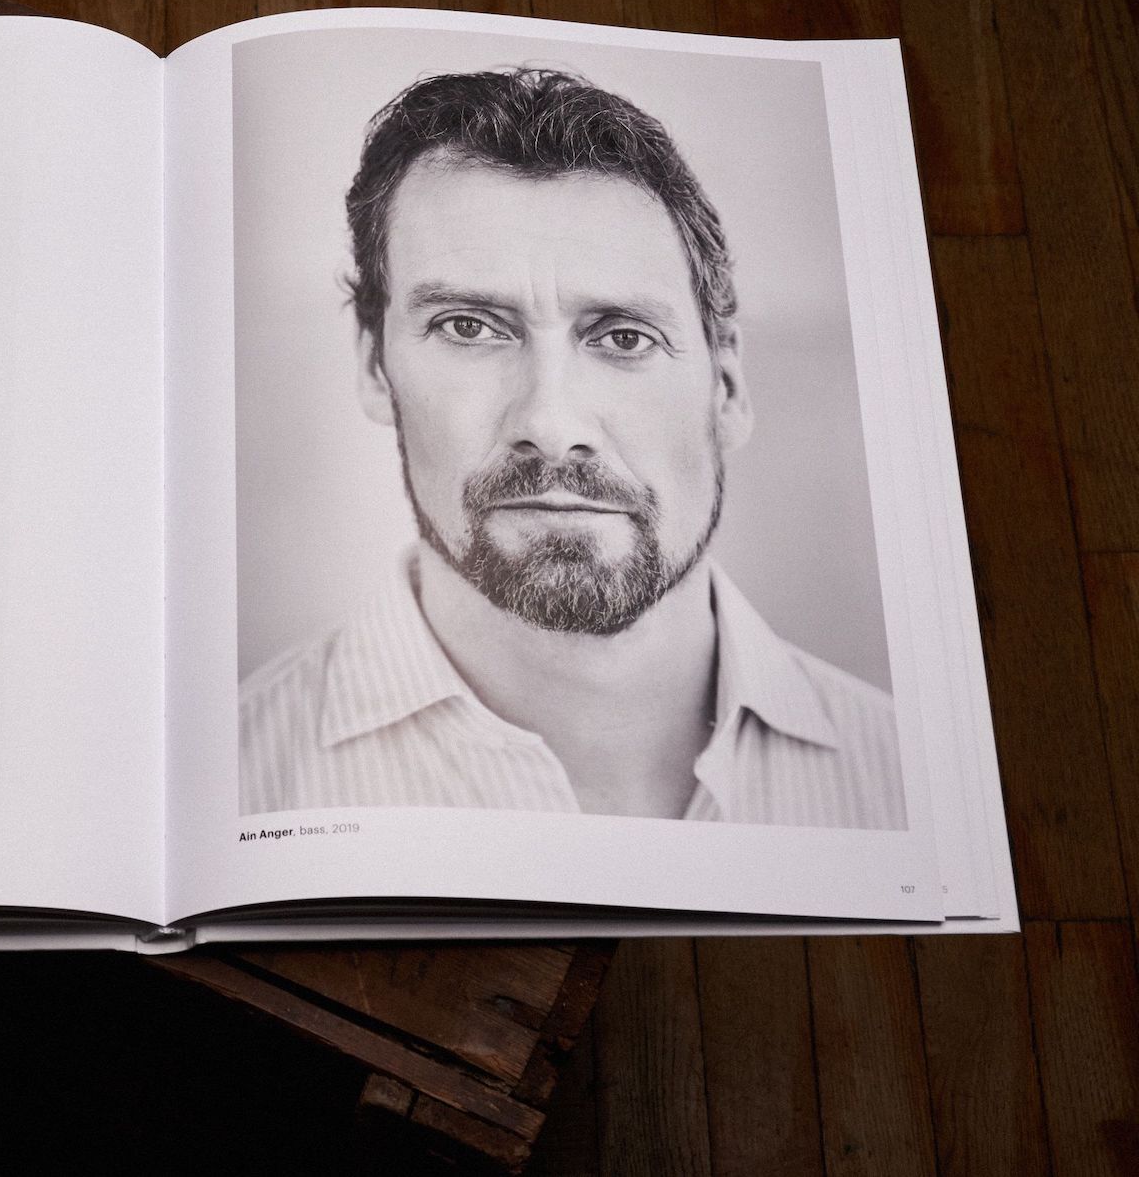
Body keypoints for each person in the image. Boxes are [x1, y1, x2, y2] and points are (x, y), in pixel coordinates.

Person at [239, 68, 906, 828]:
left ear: (726, 386)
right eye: (468, 327)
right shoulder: (240, 781)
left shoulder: (903, 783)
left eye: (624, 337)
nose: (551, 425)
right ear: (373, 366)